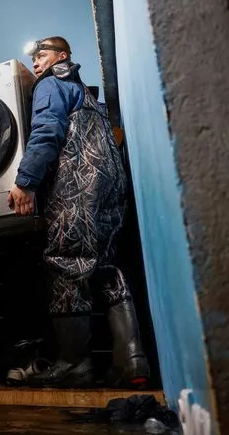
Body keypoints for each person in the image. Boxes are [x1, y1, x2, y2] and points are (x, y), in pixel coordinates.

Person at [8, 37, 150, 388]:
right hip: (113, 189)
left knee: (67, 263)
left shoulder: (51, 85)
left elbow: (47, 131)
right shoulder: (91, 98)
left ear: (63, 57)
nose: (37, 63)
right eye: (35, 58)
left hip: (76, 188)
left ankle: (73, 363)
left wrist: (26, 181)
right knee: (105, 267)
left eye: (43, 55)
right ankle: (131, 361)